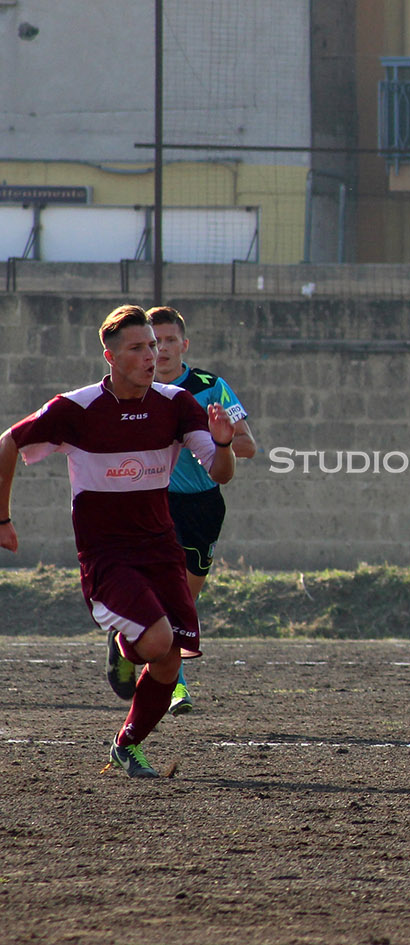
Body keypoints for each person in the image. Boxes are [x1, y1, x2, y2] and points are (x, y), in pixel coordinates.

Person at [0, 304, 235, 778]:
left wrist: (224, 444)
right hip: (107, 556)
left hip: (161, 548)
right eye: (138, 347)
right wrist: (2, 517)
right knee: (157, 642)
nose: (152, 355)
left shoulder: (176, 403)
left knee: (170, 662)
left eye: (153, 345)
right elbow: (8, 442)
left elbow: (220, 473)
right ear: (110, 356)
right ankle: (126, 644)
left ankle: (126, 745)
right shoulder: (77, 408)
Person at [147, 305, 257, 715]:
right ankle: (174, 683)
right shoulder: (131, 389)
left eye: (170, 341)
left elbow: (249, 445)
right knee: (160, 593)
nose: (161, 350)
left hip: (202, 507)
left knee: (183, 603)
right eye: (154, 342)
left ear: (184, 345)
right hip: (153, 502)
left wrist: (218, 440)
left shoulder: (211, 387)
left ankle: (145, 652)